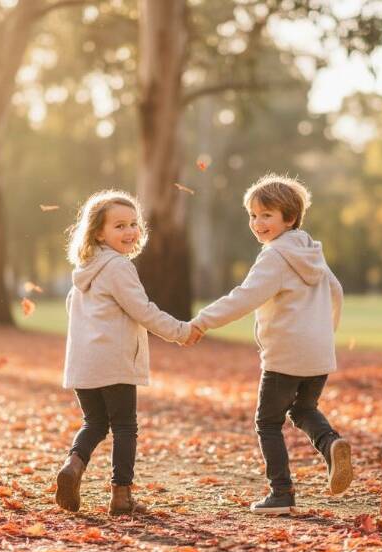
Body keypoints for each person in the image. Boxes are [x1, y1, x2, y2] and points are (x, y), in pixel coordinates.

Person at [188, 174, 351, 515]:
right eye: (252, 215)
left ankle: (281, 493)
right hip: (318, 353)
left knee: (267, 422)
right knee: (304, 410)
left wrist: (202, 320)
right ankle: (331, 443)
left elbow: (244, 297)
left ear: (289, 218)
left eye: (266, 215)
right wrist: (325, 331)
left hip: (285, 356)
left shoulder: (275, 256)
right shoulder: (311, 251)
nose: (257, 223)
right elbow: (335, 291)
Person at [55, 190, 202, 515]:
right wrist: (180, 332)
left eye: (133, 224)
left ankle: (74, 464)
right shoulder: (118, 267)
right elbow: (143, 310)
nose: (130, 232)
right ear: (98, 232)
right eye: (119, 225)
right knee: (124, 426)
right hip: (115, 361)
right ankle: (121, 496)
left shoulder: (84, 271)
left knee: (94, 422)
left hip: (84, 362)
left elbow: (73, 312)